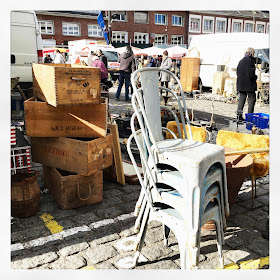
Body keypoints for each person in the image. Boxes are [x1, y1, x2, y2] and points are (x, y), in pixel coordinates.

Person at [236, 47, 258, 121]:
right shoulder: (250, 62)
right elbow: (251, 74)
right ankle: (249, 117)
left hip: (241, 84)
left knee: (241, 99)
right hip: (249, 85)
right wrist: (256, 77)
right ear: (252, 53)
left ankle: (239, 116)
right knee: (252, 99)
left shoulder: (241, 61)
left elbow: (237, 72)